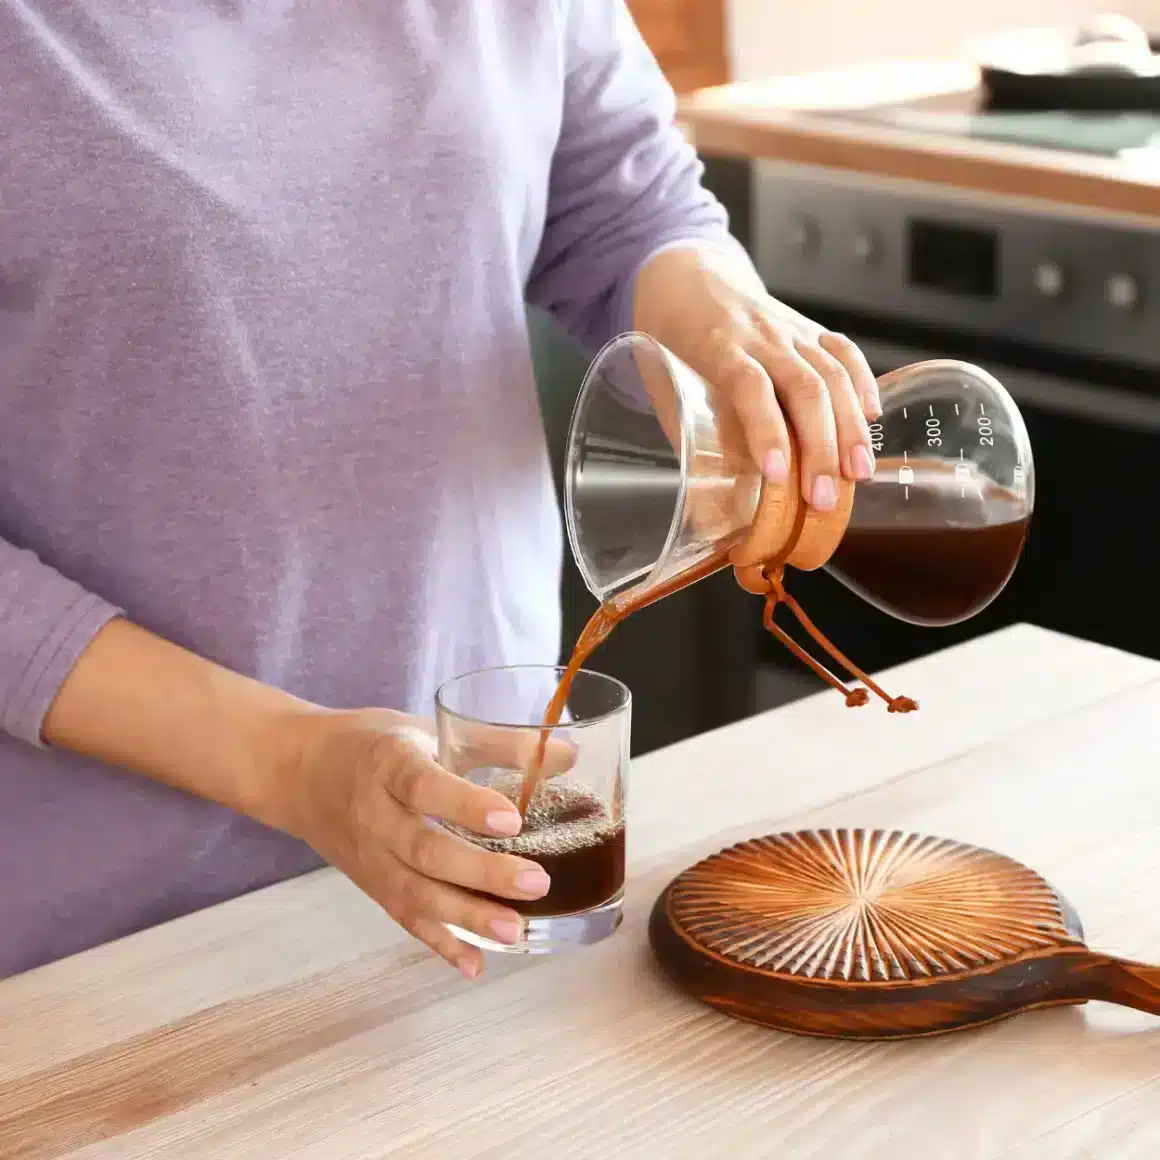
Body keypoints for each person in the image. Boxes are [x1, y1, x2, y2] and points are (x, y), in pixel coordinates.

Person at [0, 0, 880, 981]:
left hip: (481, 875)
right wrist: (290, 762)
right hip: (102, 960)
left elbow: (619, 200)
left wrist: (716, 321)